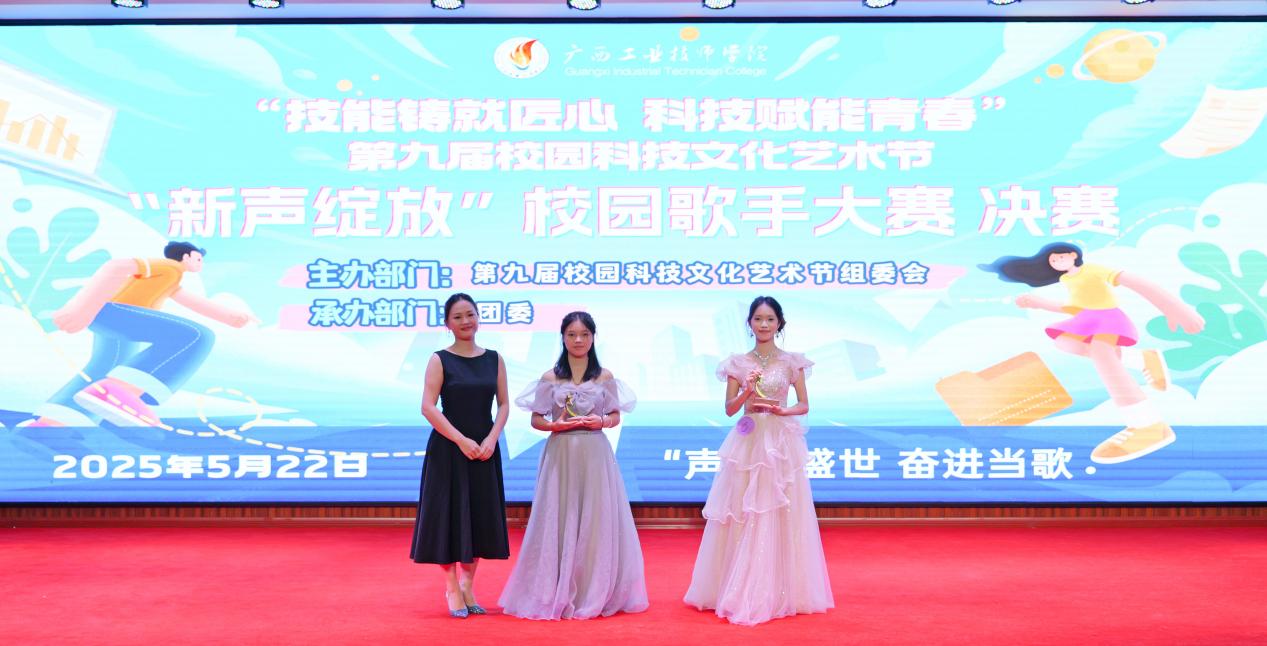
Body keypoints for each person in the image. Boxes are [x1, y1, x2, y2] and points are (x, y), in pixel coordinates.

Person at [980, 243, 1204, 463]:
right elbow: (1076, 306)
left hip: (1108, 317)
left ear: (1073, 255)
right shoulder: (1068, 279)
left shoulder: (1092, 270)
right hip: (1088, 317)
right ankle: (1142, 359)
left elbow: (1136, 282)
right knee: (1065, 342)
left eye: (1060, 257)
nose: (1057, 262)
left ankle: (1147, 425)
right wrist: (1041, 304)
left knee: (1103, 355)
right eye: (1053, 261)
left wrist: (1175, 308)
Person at [684, 296, 833, 625]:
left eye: (770, 319)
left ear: (779, 323)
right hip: (748, 438)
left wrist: (783, 410)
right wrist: (747, 392)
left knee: (780, 506)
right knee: (743, 506)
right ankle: (736, 585)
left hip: (779, 439)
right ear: (749, 323)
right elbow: (729, 410)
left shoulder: (792, 362)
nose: (764, 324)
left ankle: (782, 589)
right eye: (758, 319)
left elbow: (804, 405)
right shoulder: (737, 363)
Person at [499, 311, 647, 620]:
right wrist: (555, 426)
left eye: (584, 334)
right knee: (558, 516)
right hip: (561, 453)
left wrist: (602, 421)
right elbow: (537, 419)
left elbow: (615, 415)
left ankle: (594, 589)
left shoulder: (604, 377)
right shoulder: (550, 378)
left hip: (595, 453)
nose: (578, 340)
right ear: (563, 337)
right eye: (571, 334)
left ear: (593, 337)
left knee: (596, 519)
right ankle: (554, 590)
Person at [28, 241, 252, 428]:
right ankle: (118, 392)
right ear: (185, 257)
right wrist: (83, 306)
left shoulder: (172, 279)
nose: (200, 264)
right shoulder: (168, 267)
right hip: (116, 313)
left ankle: (49, 427)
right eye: (198, 258)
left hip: (114, 317)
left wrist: (230, 317)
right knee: (195, 336)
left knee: (106, 366)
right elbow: (116, 266)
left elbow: (193, 302)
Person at [410, 293, 510, 619]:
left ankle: (468, 583)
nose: (466, 321)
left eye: (470, 314)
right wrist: (460, 440)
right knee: (448, 517)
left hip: (484, 449)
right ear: (447, 324)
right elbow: (428, 407)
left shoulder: (494, 359)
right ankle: (451, 584)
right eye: (458, 317)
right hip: (448, 449)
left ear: (479, 317)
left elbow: (504, 404)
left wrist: (491, 439)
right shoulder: (439, 359)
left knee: (479, 515)